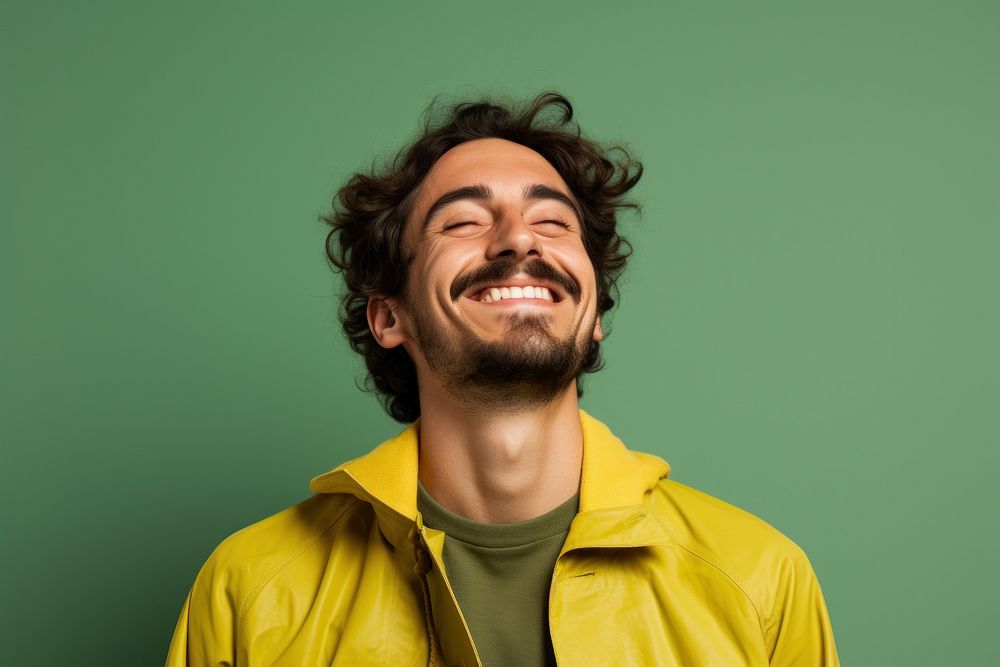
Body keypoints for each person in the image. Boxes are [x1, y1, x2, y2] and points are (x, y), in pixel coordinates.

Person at [166, 92, 839, 666]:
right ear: (388, 314)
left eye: (552, 221)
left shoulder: (761, 579)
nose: (520, 241)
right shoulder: (247, 590)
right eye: (463, 220)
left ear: (594, 308)